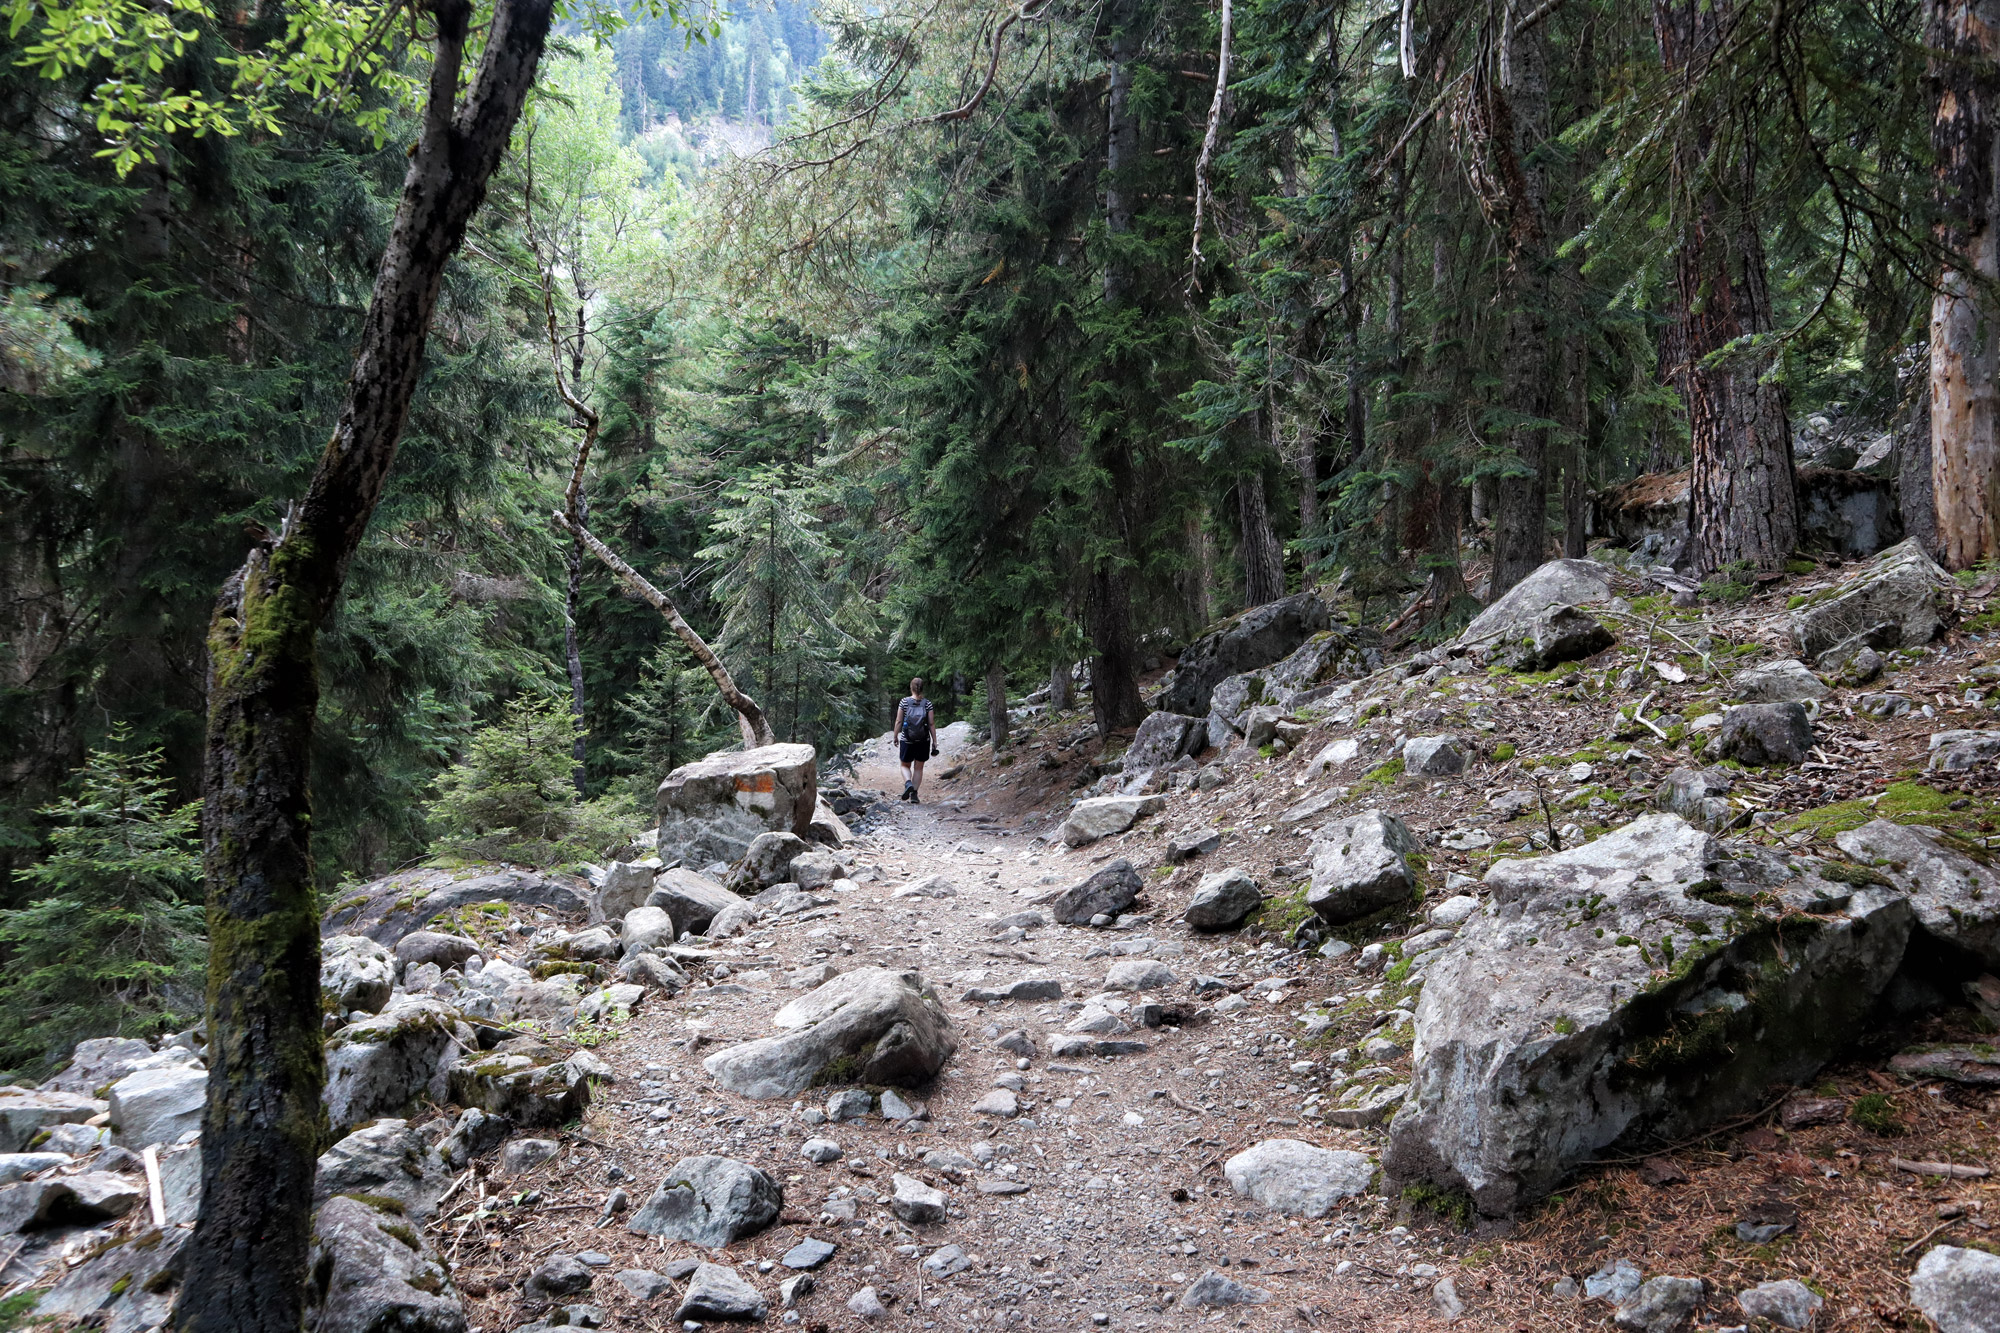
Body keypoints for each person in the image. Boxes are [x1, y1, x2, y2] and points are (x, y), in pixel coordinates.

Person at [896, 677, 939, 802]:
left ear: (911, 687)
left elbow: (899, 720)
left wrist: (895, 736)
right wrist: (934, 741)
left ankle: (908, 783)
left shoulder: (904, 702)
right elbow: (931, 724)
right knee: (918, 768)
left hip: (907, 739)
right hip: (923, 740)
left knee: (904, 765)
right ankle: (914, 794)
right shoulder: (927, 703)